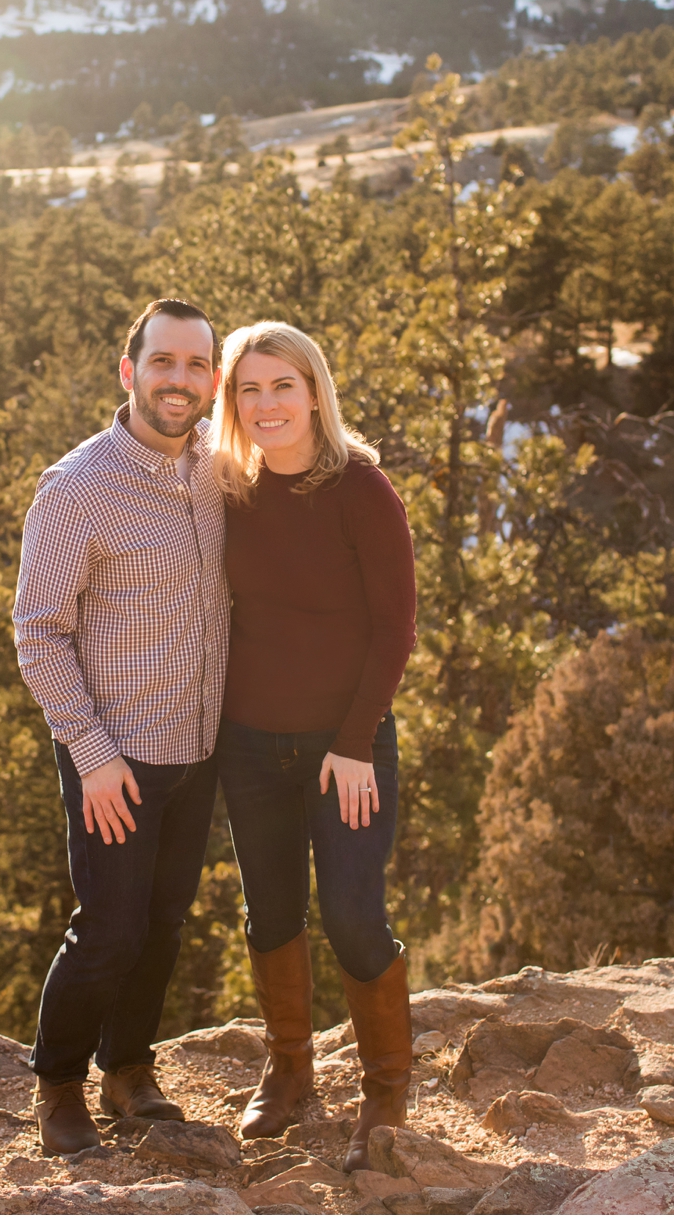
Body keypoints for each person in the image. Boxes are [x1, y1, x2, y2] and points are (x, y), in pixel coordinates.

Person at [11, 298, 232, 1156]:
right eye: (163, 361)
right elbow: (39, 630)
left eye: (195, 365)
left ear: (211, 378)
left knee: (168, 918)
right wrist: (93, 755)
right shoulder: (78, 487)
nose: (179, 380)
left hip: (199, 745)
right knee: (109, 928)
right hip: (115, 756)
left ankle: (129, 1067)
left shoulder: (218, 467)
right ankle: (60, 1083)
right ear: (128, 368)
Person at [211, 321, 417, 1173]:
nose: (267, 405)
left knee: (354, 914)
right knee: (270, 912)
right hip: (250, 745)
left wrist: (356, 739)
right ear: (234, 401)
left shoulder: (361, 489)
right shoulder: (227, 490)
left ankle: (386, 1086)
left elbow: (394, 626)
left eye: (281, 386)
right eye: (249, 389)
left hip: (348, 747)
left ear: (314, 391)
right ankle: (289, 1066)